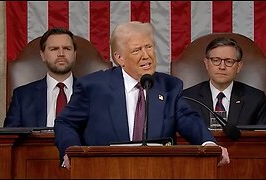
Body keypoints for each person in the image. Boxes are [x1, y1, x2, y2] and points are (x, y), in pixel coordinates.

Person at [54, 21, 230, 170]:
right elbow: (65, 122)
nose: (146, 56)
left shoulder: (169, 86)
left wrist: (209, 144)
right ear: (119, 58)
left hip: (157, 171)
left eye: (149, 47)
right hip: (104, 170)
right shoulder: (93, 86)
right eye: (137, 50)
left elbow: (188, 118)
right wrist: (72, 150)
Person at [183, 37, 266, 127]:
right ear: (206, 63)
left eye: (229, 61)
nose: (222, 67)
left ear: (238, 66)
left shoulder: (255, 99)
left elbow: (265, 137)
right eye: (216, 60)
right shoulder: (187, 98)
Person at [4, 28, 77, 127]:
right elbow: (9, 139)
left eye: (67, 48)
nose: (61, 54)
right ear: (42, 55)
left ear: (75, 54)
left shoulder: (93, 94)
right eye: (54, 49)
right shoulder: (22, 96)